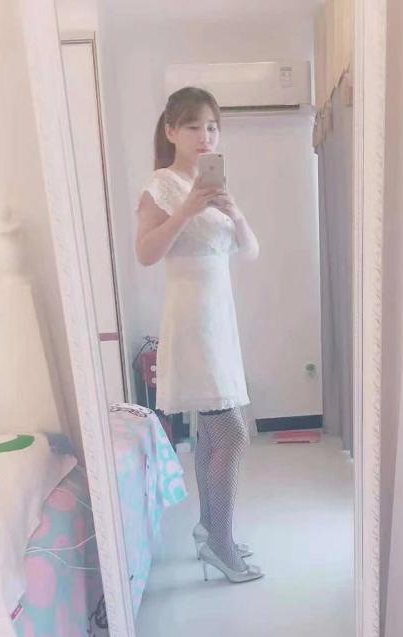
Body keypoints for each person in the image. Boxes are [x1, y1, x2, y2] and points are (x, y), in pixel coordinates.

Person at [135, 87, 263, 584]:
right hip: (192, 320)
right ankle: (221, 543)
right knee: (233, 432)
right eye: (193, 127)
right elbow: (146, 253)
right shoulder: (161, 186)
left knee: (212, 431)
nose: (204, 136)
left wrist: (234, 213)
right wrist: (185, 211)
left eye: (211, 127)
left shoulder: (215, 187)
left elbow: (249, 251)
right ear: (171, 131)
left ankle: (211, 529)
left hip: (219, 319)